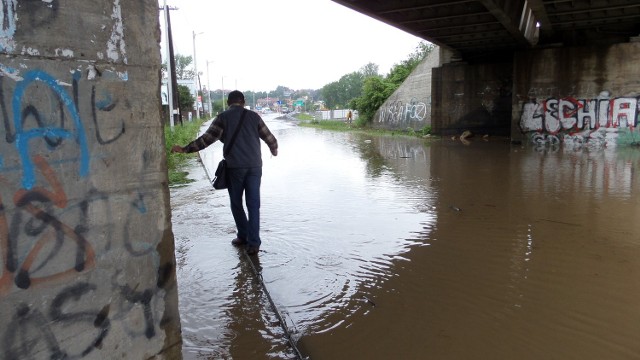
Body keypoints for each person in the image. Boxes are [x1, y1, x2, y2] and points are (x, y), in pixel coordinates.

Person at [171, 90, 278, 255]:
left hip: (235, 167)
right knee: (254, 204)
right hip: (255, 167)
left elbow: (206, 139)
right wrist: (274, 150)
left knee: (236, 203)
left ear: (229, 102)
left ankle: (243, 235)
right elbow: (270, 138)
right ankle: (254, 243)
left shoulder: (223, 117)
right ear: (243, 102)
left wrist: (185, 149)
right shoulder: (254, 117)